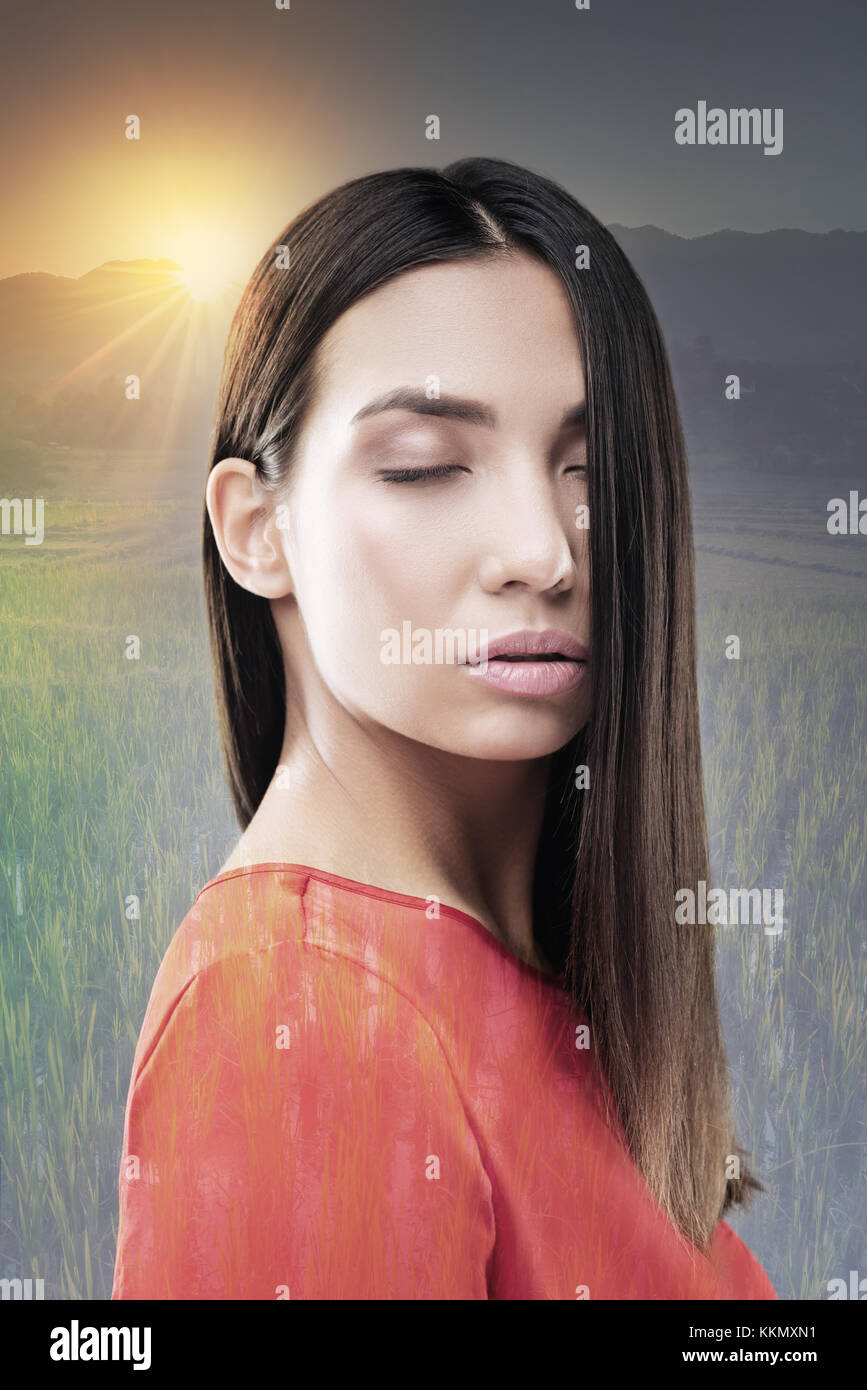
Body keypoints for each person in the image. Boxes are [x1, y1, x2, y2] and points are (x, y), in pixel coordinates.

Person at [112, 156, 776, 1299]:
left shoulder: (533, 1000)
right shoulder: (303, 1017)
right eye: (426, 467)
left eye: (588, 467)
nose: (543, 550)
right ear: (256, 527)